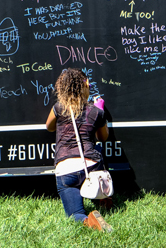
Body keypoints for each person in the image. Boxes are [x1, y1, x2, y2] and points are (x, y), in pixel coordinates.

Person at [45, 68, 113, 232]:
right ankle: (104, 200)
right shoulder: (96, 112)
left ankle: (90, 221)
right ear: (85, 86)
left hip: (66, 170)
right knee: (98, 150)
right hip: (91, 167)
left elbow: (49, 127)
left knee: (75, 214)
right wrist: (101, 112)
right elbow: (103, 138)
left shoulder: (59, 108)